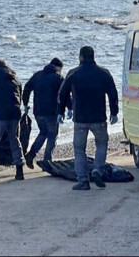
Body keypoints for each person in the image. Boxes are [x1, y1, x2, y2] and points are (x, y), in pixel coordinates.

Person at [57, 46, 119, 191]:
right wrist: (114, 112)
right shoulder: (103, 73)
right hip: (99, 117)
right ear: (93, 56)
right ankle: (97, 169)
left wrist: (62, 111)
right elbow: (113, 93)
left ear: (81, 57)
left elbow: (62, 94)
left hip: (80, 119)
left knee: (79, 149)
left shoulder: (73, 73)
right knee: (102, 145)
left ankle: (83, 180)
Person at [22, 58, 72, 169]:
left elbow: (26, 88)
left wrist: (25, 104)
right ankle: (47, 160)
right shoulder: (58, 77)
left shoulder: (37, 75)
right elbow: (65, 93)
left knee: (43, 132)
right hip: (51, 112)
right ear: (58, 67)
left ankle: (31, 155)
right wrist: (70, 107)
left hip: (38, 111)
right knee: (52, 135)